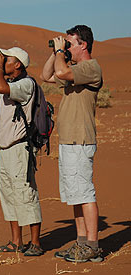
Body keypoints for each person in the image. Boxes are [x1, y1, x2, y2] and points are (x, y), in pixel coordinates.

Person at [40, 25, 103, 263]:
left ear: (83, 45)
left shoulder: (90, 68)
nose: (66, 48)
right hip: (68, 141)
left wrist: (59, 53)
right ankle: (81, 243)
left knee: (84, 193)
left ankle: (93, 246)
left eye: (70, 43)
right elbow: (46, 76)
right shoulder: (72, 68)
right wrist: (56, 52)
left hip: (80, 139)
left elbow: (63, 74)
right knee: (74, 195)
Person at [0, 47, 43, 256]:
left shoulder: (25, 84)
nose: (3, 61)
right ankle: (16, 242)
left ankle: (35, 243)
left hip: (19, 149)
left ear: (18, 65)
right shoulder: (10, 83)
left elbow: (3, 88)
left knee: (25, 194)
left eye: (7, 59)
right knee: (9, 196)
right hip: (5, 150)